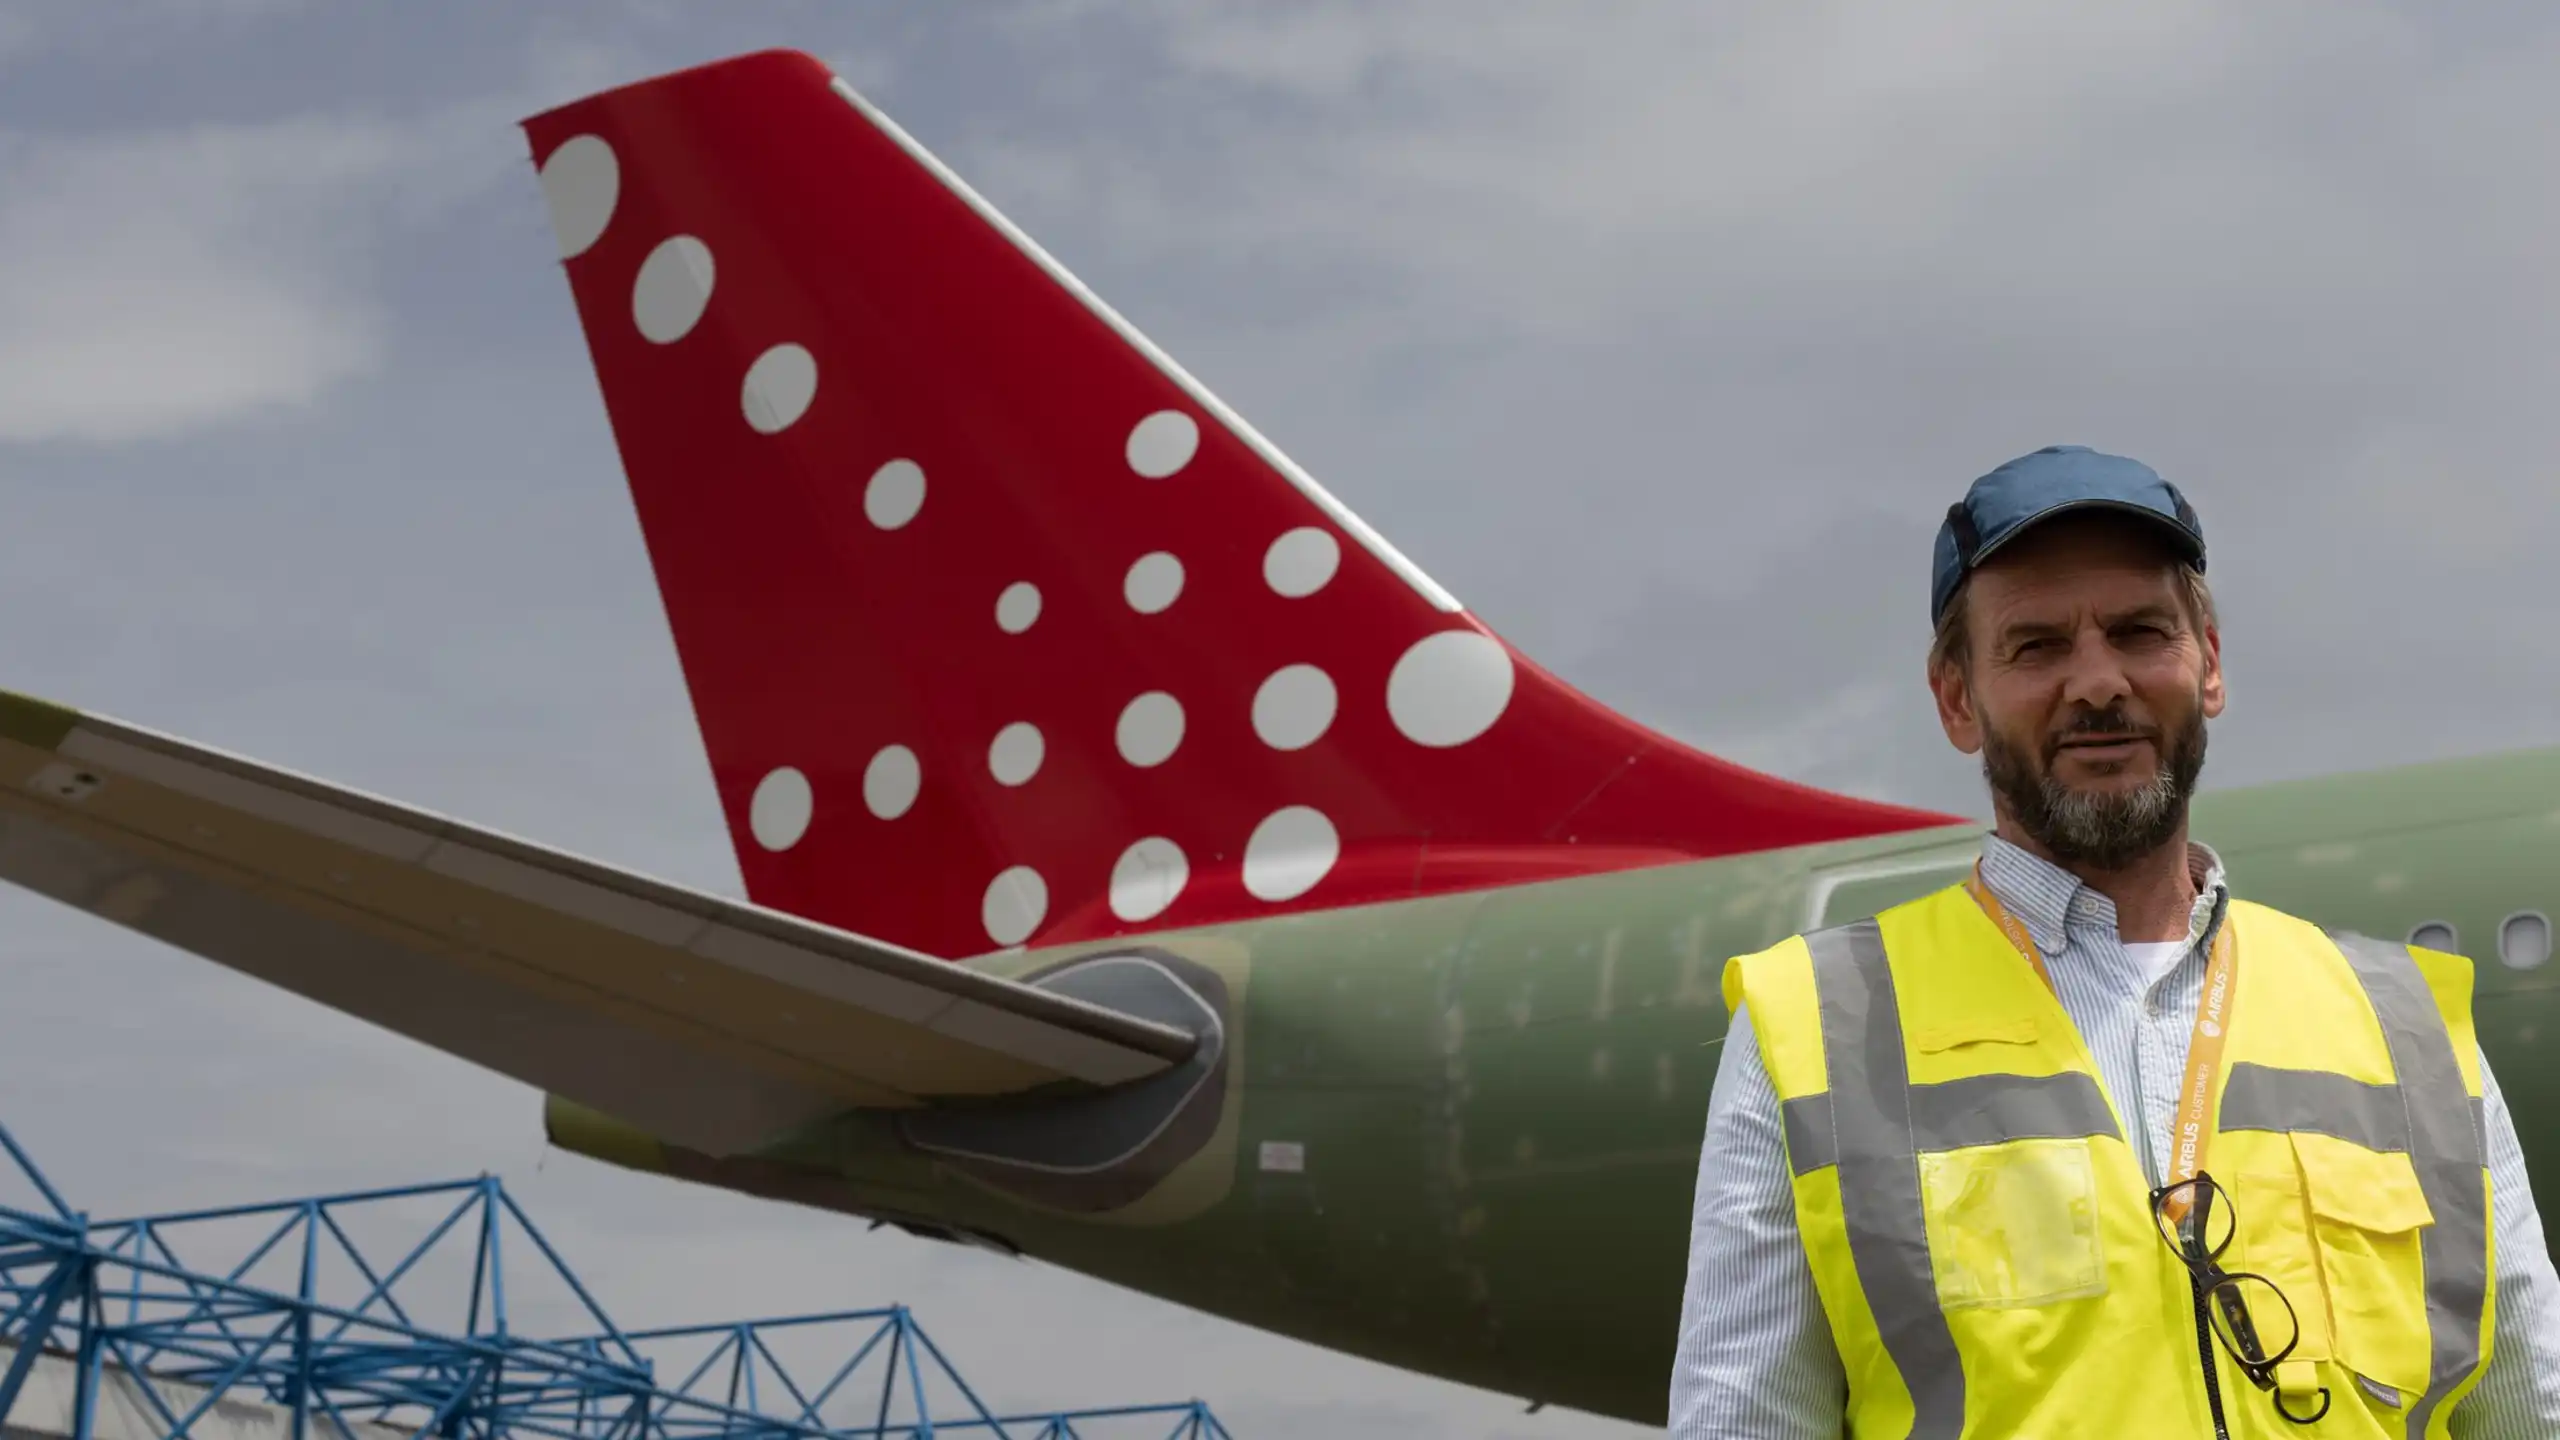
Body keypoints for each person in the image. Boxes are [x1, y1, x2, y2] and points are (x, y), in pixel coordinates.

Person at [1666, 445, 2560, 1437]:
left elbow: (2527, 1407)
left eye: (2139, 632)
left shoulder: (2410, 1033)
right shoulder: (1818, 1030)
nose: (2097, 683)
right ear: (1957, 698)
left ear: (2207, 664)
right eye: (2036, 646)